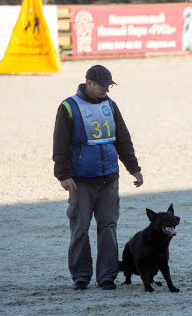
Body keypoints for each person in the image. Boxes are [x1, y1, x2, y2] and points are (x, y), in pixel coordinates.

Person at [53, 65, 143, 291]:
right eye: (103, 86)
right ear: (89, 82)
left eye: (109, 86)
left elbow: (122, 138)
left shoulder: (111, 105)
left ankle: (107, 276)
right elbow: (60, 144)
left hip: (109, 178)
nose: (106, 90)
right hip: (81, 180)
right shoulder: (69, 107)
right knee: (80, 229)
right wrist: (63, 175)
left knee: (108, 227)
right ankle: (81, 276)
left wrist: (134, 167)